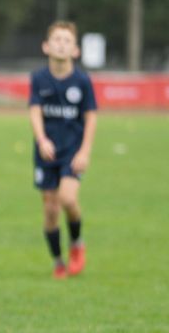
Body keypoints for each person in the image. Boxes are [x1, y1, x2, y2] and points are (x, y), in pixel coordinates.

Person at [29, 21, 97, 280]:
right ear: (46, 46)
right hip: (46, 153)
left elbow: (91, 116)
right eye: (56, 39)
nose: (61, 44)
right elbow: (35, 110)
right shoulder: (38, 78)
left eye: (67, 40)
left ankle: (77, 244)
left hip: (72, 152)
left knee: (68, 200)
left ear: (76, 50)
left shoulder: (82, 80)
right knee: (50, 210)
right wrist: (42, 139)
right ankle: (58, 261)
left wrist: (85, 152)